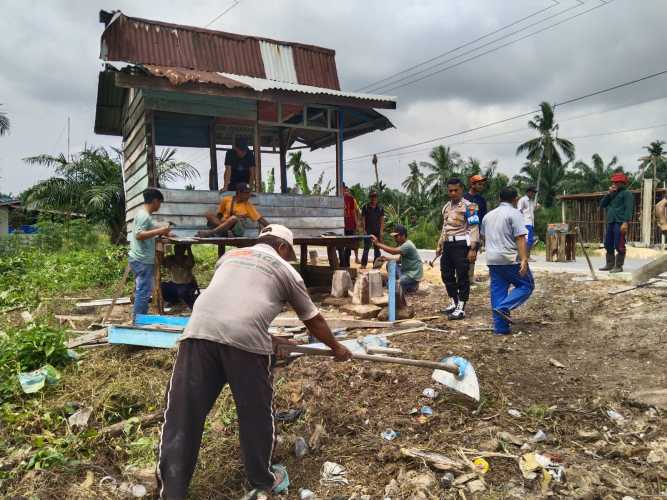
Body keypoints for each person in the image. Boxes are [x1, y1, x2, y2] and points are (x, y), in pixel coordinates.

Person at [157, 224, 352, 499]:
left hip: (197, 334)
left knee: (183, 415)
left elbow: (231, 305)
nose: (287, 258)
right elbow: (313, 319)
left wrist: (269, 338)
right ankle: (262, 479)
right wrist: (337, 348)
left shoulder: (229, 258)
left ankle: (172, 492)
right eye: (288, 253)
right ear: (283, 247)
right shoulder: (286, 270)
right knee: (255, 414)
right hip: (244, 346)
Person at [480, 187, 534, 335]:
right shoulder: (515, 214)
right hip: (510, 259)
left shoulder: (488, 216)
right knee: (526, 285)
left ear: (499, 198)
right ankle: (505, 307)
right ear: (515, 199)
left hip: (492, 259)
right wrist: (524, 259)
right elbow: (520, 237)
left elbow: (484, 236)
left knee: (498, 291)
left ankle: (501, 328)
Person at [435, 178, 480, 320]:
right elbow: (445, 228)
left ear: (461, 190)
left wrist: (473, 249)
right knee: (446, 274)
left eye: (456, 190)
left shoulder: (470, 206)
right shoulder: (446, 207)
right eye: (450, 190)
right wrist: (440, 244)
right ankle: (454, 302)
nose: (453, 193)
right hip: (448, 245)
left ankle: (461, 307)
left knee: (462, 276)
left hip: (461, 246)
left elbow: (474, 228)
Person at [128, 188, 172, 323]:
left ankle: (139, 318)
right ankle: (138, 321)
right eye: (160, 203)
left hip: (141, 259)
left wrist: (163, 231)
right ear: (155, 201)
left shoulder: (145, 215)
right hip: (142, 260)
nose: (160, 206)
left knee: (144, 290)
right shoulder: (144, 216)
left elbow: (150, 228)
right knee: (143, 292)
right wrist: (161, 230)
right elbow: (139, 234)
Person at [197, 182, 269, 238]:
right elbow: (219, 214)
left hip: (237, 230)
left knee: (234, 218)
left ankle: (210, 233)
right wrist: (221, 222)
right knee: (208, 214)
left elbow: (260, 219)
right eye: (246, 193)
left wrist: (272, 227)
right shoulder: (226, 199)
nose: (249, 195)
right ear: (239, 193)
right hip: (224, 225)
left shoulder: (248, 205)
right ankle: (224, 231)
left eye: (249, 192)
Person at [370, 224, 423, 293]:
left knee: (390, 286)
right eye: (394, 237)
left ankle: (411, 286)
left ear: (403, 235)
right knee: (389, 264)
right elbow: (399, 260)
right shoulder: (404, 245)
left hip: (412, 276)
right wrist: (386, 259)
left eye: (396, 236)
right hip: (405, 272)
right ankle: (403, 284)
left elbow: (393, 251)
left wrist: (377, 244)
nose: (395, 239)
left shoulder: (408, 245)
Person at [599, 172, 633, 273]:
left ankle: (618, 266)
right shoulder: (612, 194)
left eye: (617, 182)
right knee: (608, 243)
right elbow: (602, 205)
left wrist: (625, 222)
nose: (614, 184)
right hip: (611, 222)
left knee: (619, 244)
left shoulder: (627, 194)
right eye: (614, 182)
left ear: (623, 183)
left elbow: (629, 209)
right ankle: (610, 264)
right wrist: (609, 194)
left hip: (620, 222)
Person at [464, 174, 488, 283]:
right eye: (479, 184)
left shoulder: (482, 200)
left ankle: (469, 279)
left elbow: (483, 217)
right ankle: (462, 278)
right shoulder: (463, 198)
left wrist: (483, 235)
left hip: (476, 231)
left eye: (482, 185)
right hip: (464, 231)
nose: (481, 186)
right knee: (462, 255)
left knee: (473, 256)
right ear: (472, 184)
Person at [161, 244, 198, 309]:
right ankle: (174, 300)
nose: (178, 252)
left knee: (182, 291)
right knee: (162, 287)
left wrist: (188, 248)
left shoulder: (187, 259)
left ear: (184, 251)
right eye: (176, 250)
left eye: (180, 250)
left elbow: (191, 262)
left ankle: (190, 304)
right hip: (174, 284)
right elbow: (162, 262)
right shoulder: (170, 259)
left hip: (188, 284)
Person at [361, 191, 385, 268]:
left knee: (377, 249)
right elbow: (363, 219)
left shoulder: (380, 208)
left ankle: (376, 265)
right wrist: (364, 230)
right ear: (370, 198)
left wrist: (381, 231)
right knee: (366, 248)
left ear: (377, 198)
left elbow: (382, 220)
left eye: (375, 197)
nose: (373, 198)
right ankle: (363, 264)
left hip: (377, 231)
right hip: (368, 231)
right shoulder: (365, 207)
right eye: (372, 197)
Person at [339, 184, 359, 268]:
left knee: (348, 246)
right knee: (340, 245)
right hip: (340, 226)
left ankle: (346, 264)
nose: (341, 190)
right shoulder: (336, 198)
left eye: (342, 188)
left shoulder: (351, 199)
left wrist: (356, 223)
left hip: (350, 225)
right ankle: (342, 264)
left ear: (344, 188)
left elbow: (354, 212)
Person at [517, 187, 540, 258]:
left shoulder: (532, 201)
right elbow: (519, 210)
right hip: (525, 223)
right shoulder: (523, 200)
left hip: (531, 223)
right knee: (527, 240)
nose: (534, 194)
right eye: (533, 192)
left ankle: (527, 256)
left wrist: (537, 206)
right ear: (528, 192)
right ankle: (523, 256)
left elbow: (533, 209)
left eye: (535, 193)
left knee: (530, 241)